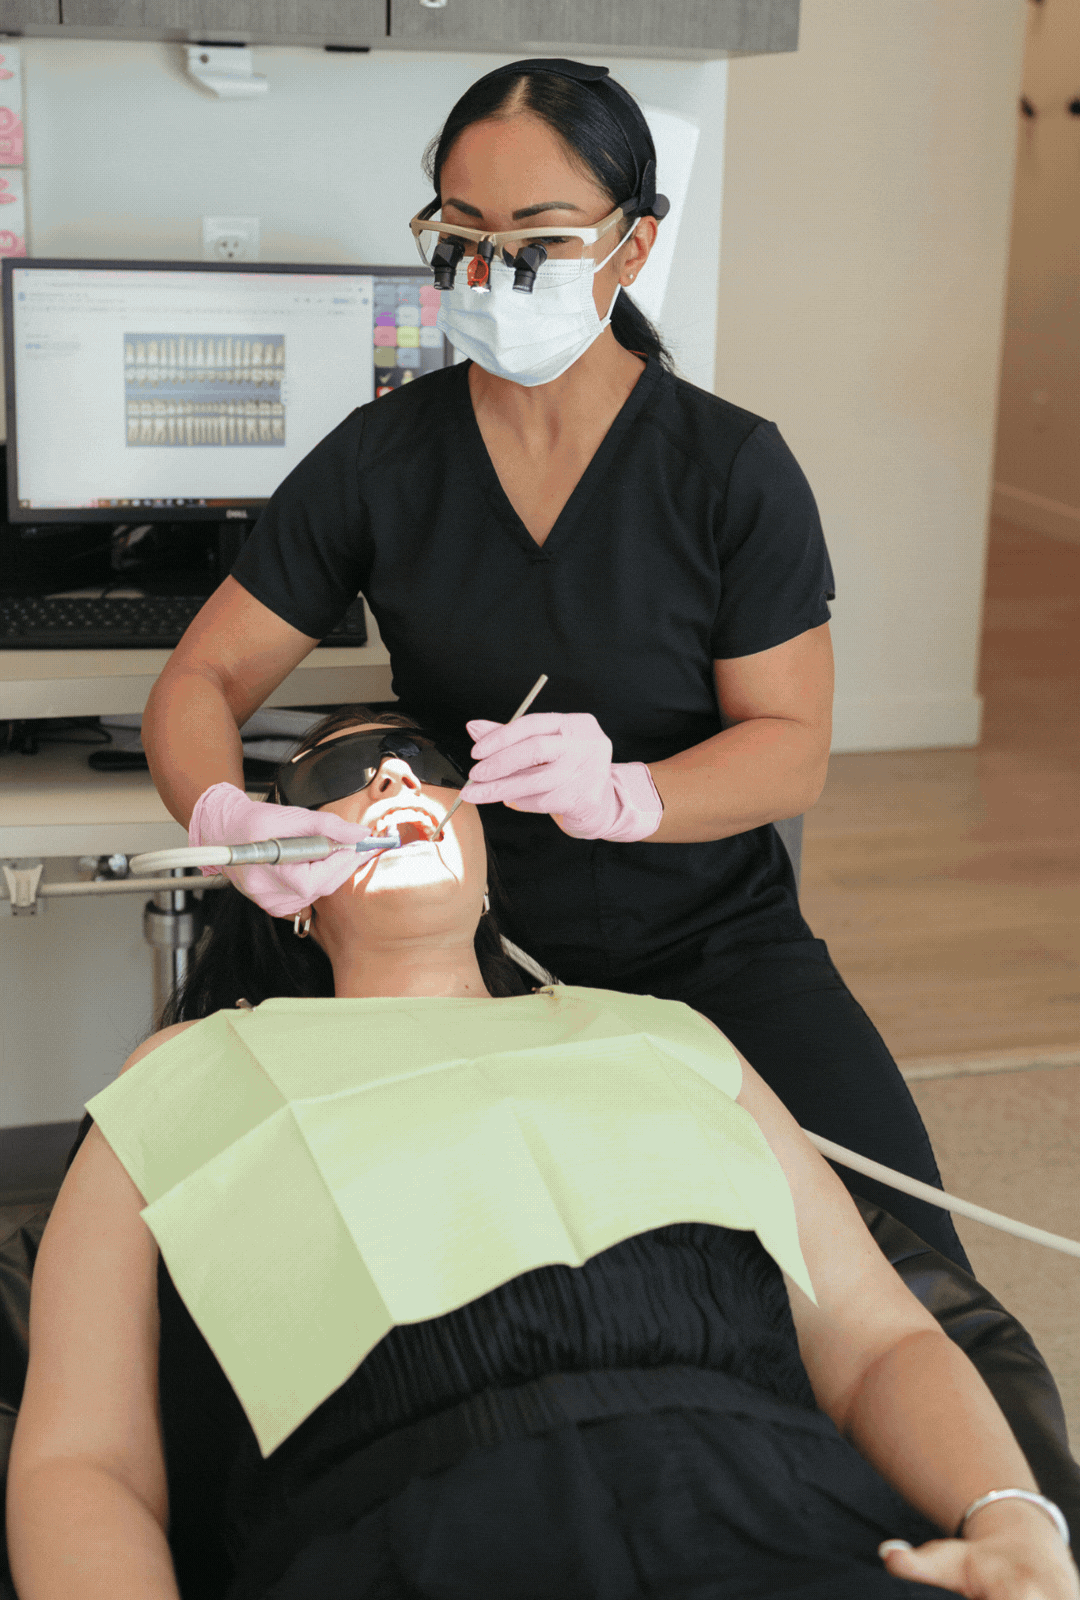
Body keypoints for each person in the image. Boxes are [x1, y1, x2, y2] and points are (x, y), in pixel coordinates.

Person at [144, 57, 955, 1266]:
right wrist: (224, 810)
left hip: (710, 944)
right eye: (460, 233)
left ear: (633, 248)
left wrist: (635, 793)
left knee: (912, 1268)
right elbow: (201, 682)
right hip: (454, 945)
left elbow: (792, 750)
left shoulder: (730, 472)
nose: (489, 271)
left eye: (536, 237)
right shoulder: (382, 463)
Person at [7, 711, 1078, 1600]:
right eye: (342, 775)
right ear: (286, 882)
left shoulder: (663, 1031)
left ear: (485, 861)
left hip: (772, 1500)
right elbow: (81, 1459)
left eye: (425, 765)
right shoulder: (188, 1068)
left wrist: (1017, 1524)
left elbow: (880, 1338)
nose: (391, 777)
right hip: (408, 1535)